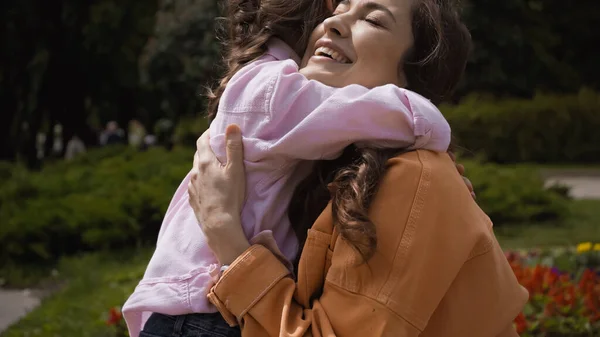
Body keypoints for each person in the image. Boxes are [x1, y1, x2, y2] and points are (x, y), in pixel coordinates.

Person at [122, 0, 480, 336]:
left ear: (413, 71)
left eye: (372, 19)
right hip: (204, 309)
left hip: (215, 303)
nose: (335, 22)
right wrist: (424, 122)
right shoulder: (266, 90)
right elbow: (374, 111)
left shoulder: (340, 149)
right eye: (338, 8)